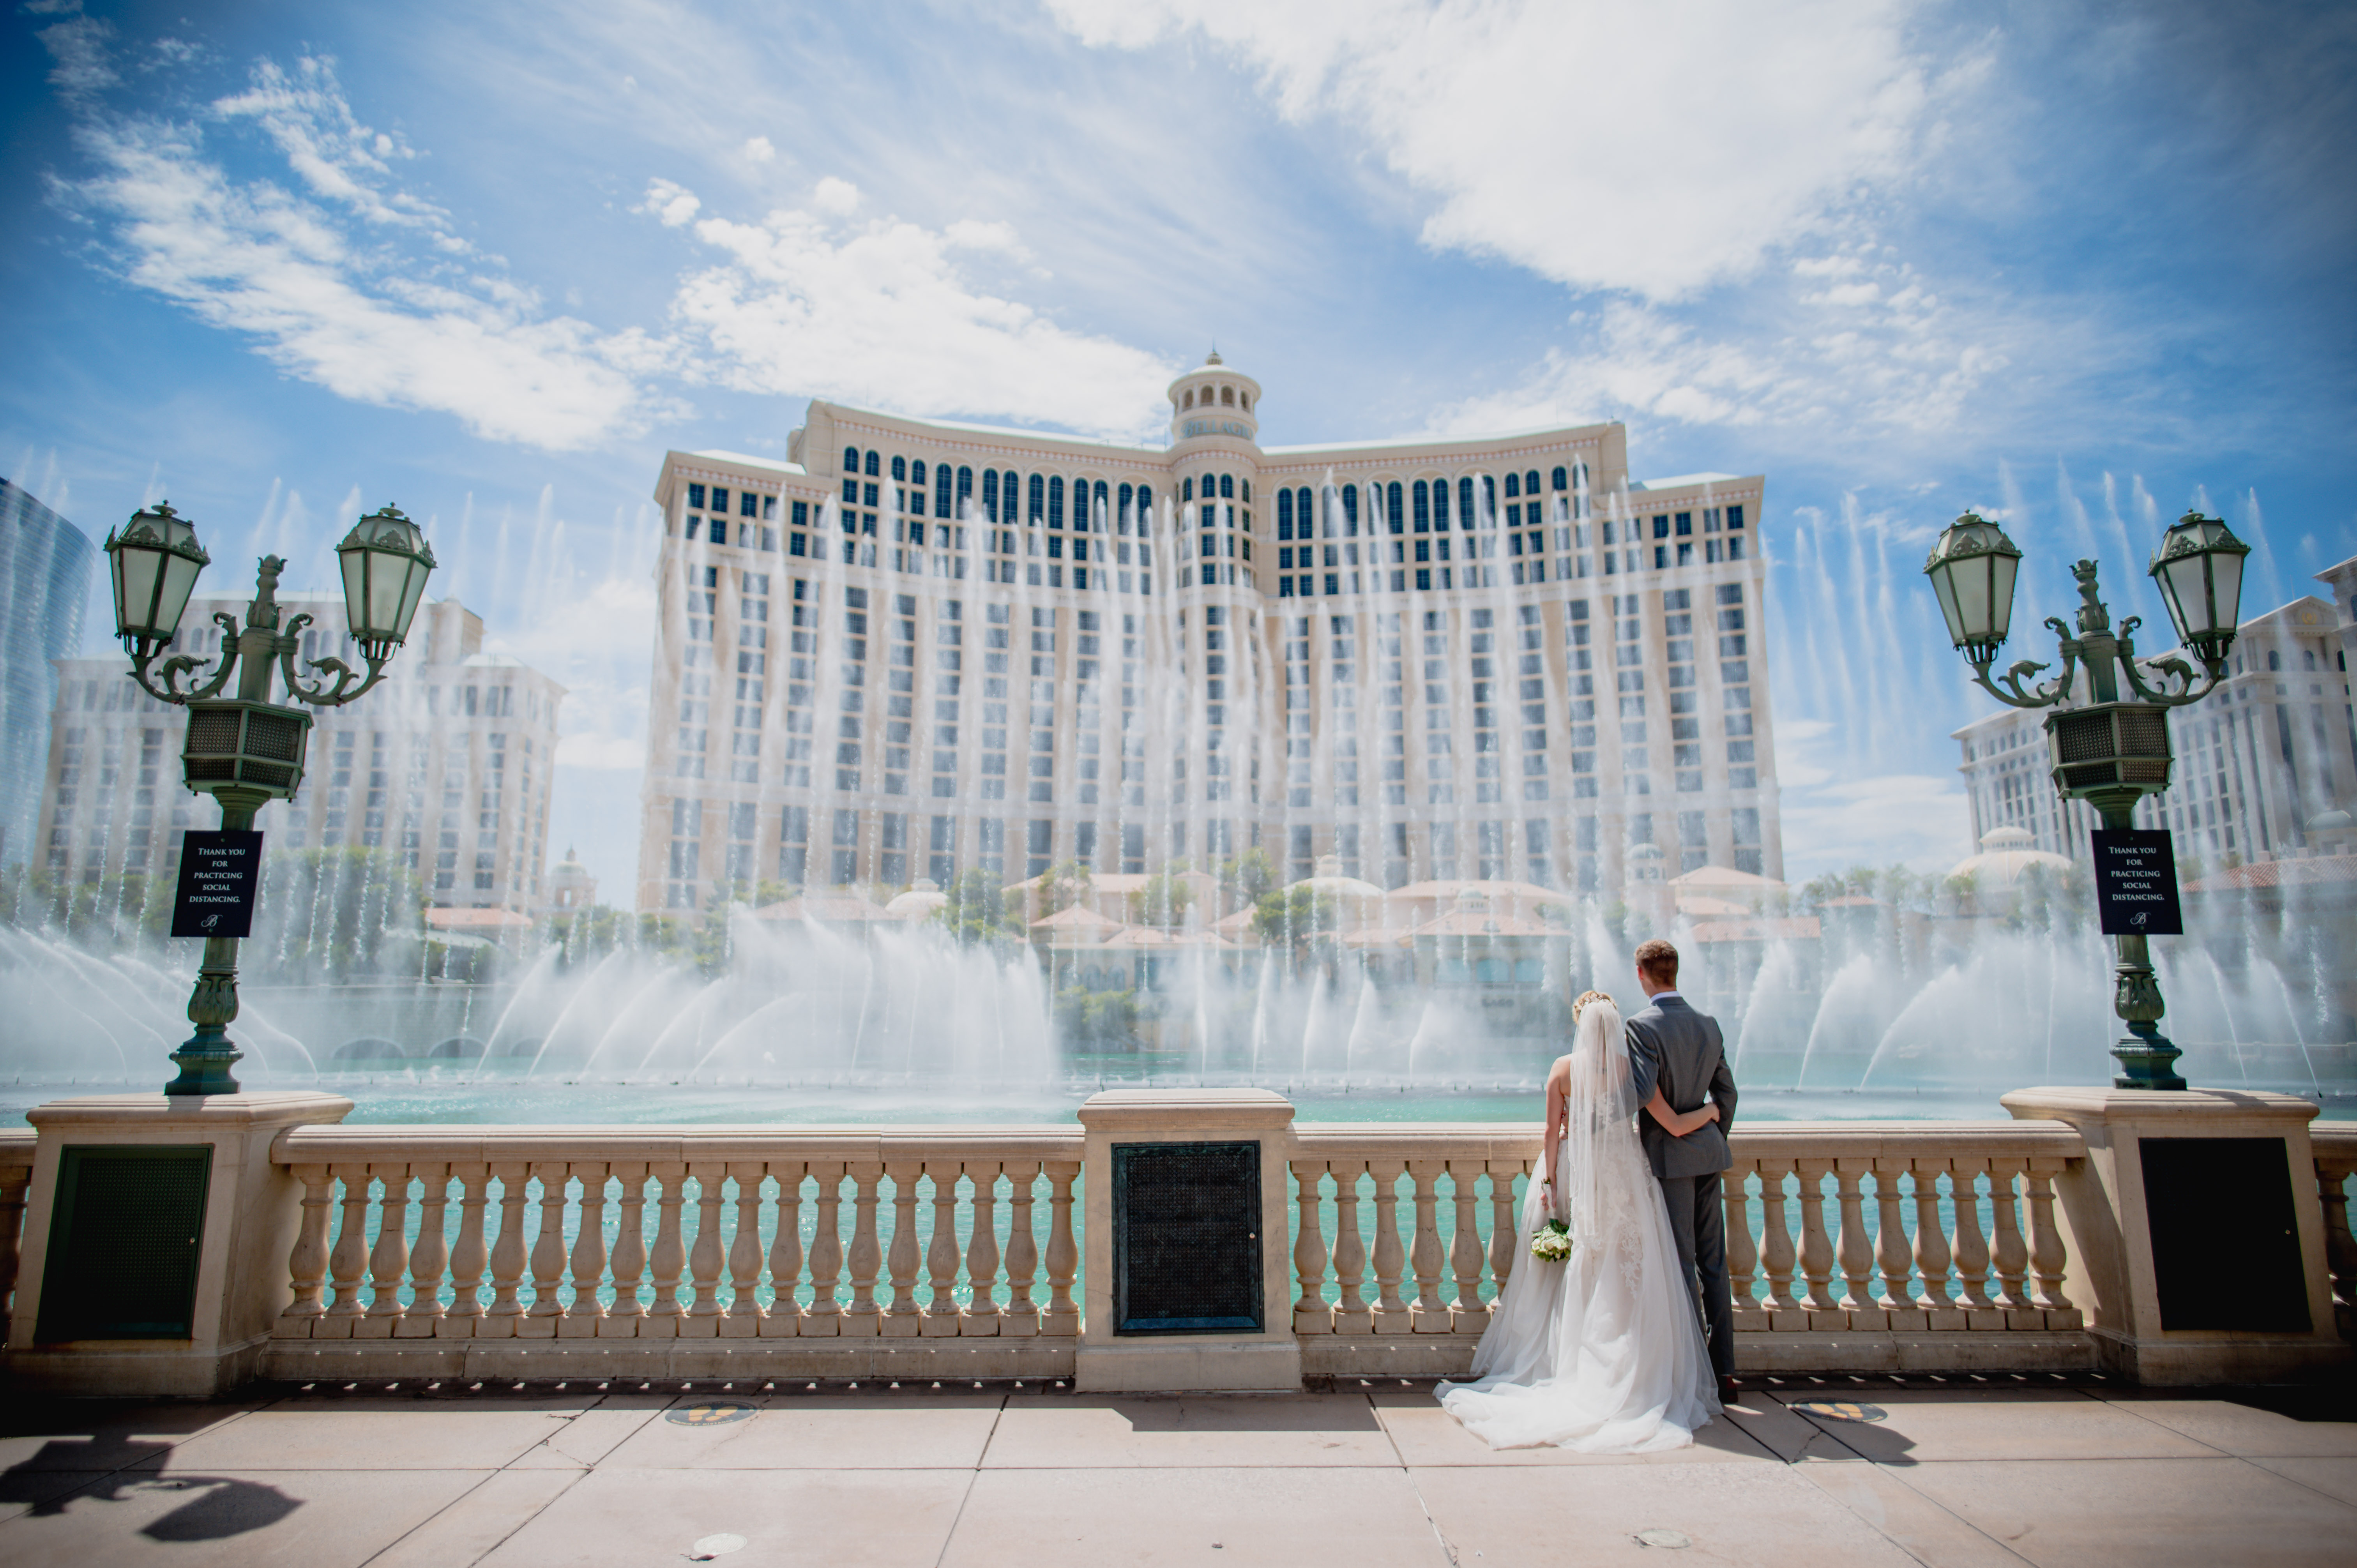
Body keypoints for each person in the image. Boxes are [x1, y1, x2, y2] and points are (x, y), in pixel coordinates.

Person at [1436, 989, 1721, 1451]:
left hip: (1578, 1172)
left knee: (1573, 1266)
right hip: (1626, 1175)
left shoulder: (1564, 1069)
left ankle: (1573, 1359)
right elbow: (1671, 1123)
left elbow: (1552, 1130)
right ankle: (1628, 1364)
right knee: (1627, 1273)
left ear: (1580, 1024)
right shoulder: (1634, 1070)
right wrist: (1709, 1111)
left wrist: (1549, 1182)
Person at [1623, 937, 1741, 1405]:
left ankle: (1693, 1377)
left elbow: (1639, 1092)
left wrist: (1592, 1118)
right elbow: (1727, 1095)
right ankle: (1726, 1371)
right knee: (1714, 1262)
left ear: (1642, 974)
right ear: (1676, 972)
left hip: (1670, 1161)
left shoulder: (1642, 1025)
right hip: (1709, 1154)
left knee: (1679, 1263)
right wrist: (1712, 1138)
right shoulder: (1709, 1023)